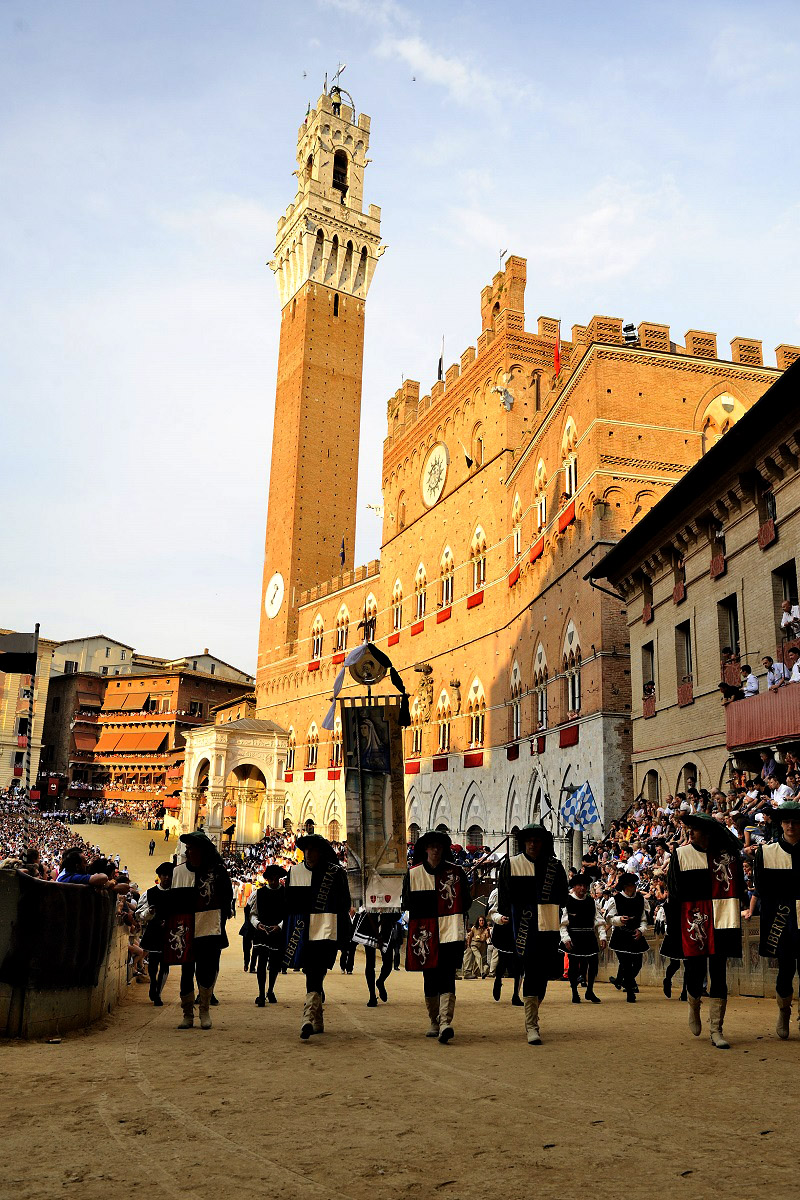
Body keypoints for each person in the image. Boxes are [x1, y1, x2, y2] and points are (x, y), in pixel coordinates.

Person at [666, 813, 744, 1049]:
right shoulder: (680, 855)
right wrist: (674, 928)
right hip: (694, 922)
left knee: (719, 974)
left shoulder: (727, 857)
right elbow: (674, 893)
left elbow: (738, 888)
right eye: (689, 828)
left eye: (696, 829)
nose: (691, 833)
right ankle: (693, 1004)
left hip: (722, 920)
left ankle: (716, 1029)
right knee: (694, 973)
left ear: (708, 833)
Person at [496, 823, 569, 1044]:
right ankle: (532, 1026)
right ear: (524, 842)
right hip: (524, 931)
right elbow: (504, 899)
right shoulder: (511, 865)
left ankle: (533, 1013)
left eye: (537, 840)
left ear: (543, 842)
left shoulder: (555, 867)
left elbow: (563, 897)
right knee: (531, 971)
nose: (533, 844)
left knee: (542, 977)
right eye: (529, 840)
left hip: (548, 928)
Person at [402, 829, 472, 1044]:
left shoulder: (456, 873)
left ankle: (445, 1023)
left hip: (450, 931)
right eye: (432, 846)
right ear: (425, 849)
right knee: (430, 978)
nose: (435, 850)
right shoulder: (413, 874)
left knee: (447, 975)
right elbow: (407, 903)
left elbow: (467, 902)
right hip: (425, 933)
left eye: (439, 847)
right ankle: (434, 1020)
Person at [284, 832, 351, 1040]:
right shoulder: (294, 872)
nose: (309, 853)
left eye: (313, 849)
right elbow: (289, 905)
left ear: (321, 852)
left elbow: (344, 904)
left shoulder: (335, 873)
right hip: (303, 932)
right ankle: (316, 1017)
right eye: (306, 850)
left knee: (315, 971)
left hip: (326, 930)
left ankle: (307, 1017)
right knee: (312, 973)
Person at [168, 831, 234, 1031]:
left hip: (209, 927)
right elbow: (173, 903)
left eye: (192, 849)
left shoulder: (218, 872)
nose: (188, 852)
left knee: (205, 971)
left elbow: (226, 900)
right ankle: (187, 1014)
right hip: (184, 930)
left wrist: (219, 926)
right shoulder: (178, 872)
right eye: (187, 849)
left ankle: (204, 1010)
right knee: (186, 972)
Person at [753, 801, 800, 1039]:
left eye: (795, 821)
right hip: (782, 920)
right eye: (787, 821)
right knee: (786, 970)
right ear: (781, 824)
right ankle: (784, 1011)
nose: (791, 825)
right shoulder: (766, 852)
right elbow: (762, 888)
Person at [560, 872, 606, 1003]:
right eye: (580, 885)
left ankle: (590, 990)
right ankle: (574, 992)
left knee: (593, 964)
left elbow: (599, 921)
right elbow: (562, 924)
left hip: (589, 936)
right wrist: (566, 939)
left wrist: (603, 936)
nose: (582, 888)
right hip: (574, 937)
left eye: (585, 885)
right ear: (574, 887)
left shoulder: (592, 902)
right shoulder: (567, 901)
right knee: (574, 966)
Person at [135, 862, 174, 1005]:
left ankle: (157, 992)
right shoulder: (149, 893)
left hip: (170, 933)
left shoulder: (176, 893)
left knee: (165, 964)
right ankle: (153, 985)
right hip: (154, 931)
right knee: (153, 963)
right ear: (159, 876)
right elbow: (139, 915)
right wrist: (149, 912)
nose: (167, 878)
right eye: (164, 875)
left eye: (169, 875)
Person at [607, 873, 649, 1003]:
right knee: (626, 964)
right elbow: (609, 918)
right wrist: (619, 919)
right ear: (625, 886)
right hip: (621, 935)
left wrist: (641, 931)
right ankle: (630, 992)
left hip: (635, 935)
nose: (634, 887)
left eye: (634, 884)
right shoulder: (616, 899)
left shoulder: (641, 900)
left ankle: (625, 981)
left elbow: (644, 919)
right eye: (631, 885)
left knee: (637, 964)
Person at [251, 865, 288, 1007]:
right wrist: (257, 924)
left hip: (277, 932)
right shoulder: (258, 893)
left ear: (278, 879)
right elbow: (253, 914)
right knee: (261, 963)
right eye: (270, 879)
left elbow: (288, 915)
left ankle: (270, 990)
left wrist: (279, 926)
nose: (272, 882)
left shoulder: (285, 894)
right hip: (262, 931)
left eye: (274, 879)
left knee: (274, 964)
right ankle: (261, 994)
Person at [352, 905, 398, 1006]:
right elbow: (368, 910)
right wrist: (377, 934)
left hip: (386, 928)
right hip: (369, 926)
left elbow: (397, 915)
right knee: (370, 963)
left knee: (388, 963)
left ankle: (380, 981)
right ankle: (372, 995)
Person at [464, 915, 491, 979]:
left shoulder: (485, 928)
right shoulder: (474, 928)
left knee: (477, 961)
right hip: (474, 944)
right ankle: (482, 972)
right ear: (478, 921)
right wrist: (468, 944)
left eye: (482, 920)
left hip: (482, 945)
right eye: (480, 920)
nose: (481, 922)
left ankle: (475, 973)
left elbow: (487, 937)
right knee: (479, 957)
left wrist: (488, 932)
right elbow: (470, 936)